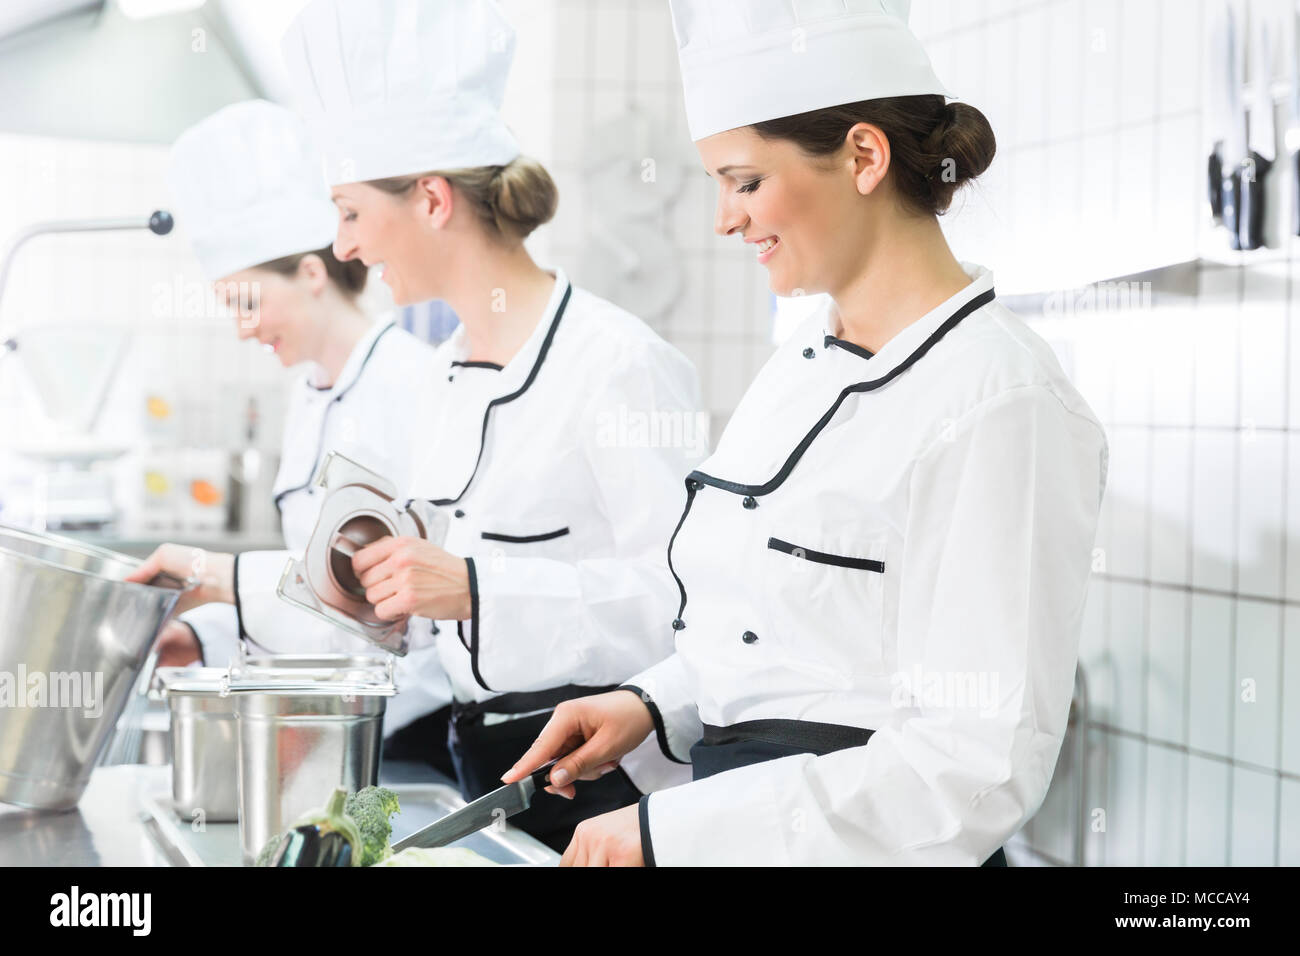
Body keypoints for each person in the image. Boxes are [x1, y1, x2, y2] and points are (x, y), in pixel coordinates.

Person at [504, 0, 1110, 866]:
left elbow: (974, 768)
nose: (724, 219)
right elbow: (784, 647)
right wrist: (653, 704)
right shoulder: (800, 366)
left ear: (864, 156)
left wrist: (676, 831)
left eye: (745, 181)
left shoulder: (1001, 401)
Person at [139, 0, 704, 853]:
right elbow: (388, 614)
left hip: (606, 779)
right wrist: (221, 582)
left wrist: (477, 586)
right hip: (483, 770)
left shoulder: (618, 365)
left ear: (433, 200)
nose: (345, 248)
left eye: (352, 213)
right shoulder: (446, 379)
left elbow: (688, 609)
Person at [135, 99, 454, 776]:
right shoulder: (309, 395)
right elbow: (306, 596)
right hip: (337, 718)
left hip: (409, 731)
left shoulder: (411, 385)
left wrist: (211, 577)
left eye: (245, 302)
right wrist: (202, 634)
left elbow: (377, 612)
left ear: (312, 273)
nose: (243, 328)